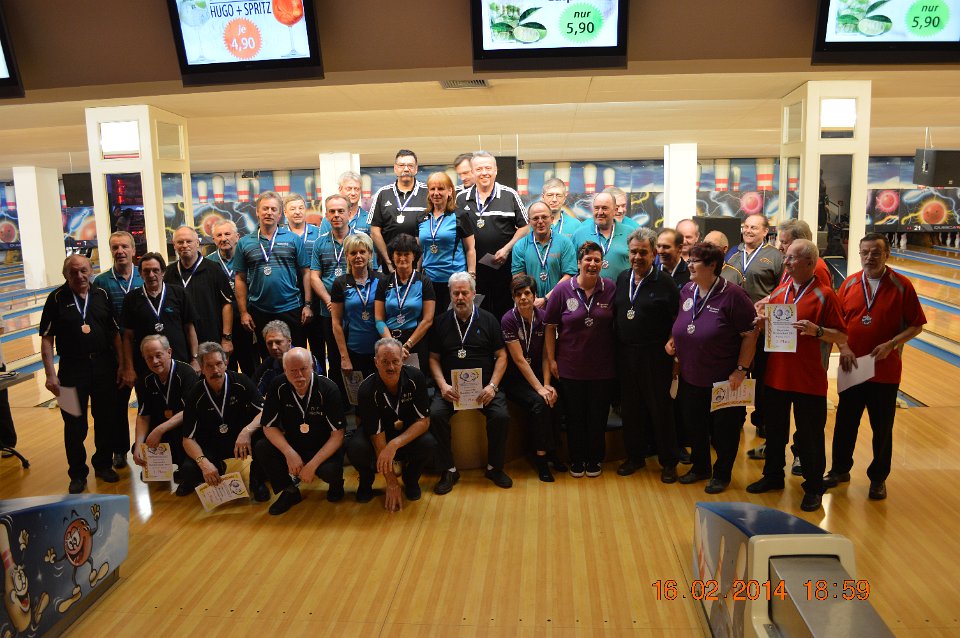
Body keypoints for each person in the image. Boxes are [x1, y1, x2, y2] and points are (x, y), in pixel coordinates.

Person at [746, 239, 846, 512]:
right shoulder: (780, 291)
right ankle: (773, 475)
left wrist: (818, 331)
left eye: (791, 258)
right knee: (775, 431)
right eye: (786, 257)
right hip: (777, 376)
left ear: (809, 263)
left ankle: (813, 487)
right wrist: (763, 324)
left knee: (810, 436)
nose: (786, 262)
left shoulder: (826, 295)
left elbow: (842, 335)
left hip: (808, 379)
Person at [826, 233, 926, 500]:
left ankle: (878, 478)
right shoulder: (849, 284)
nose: (869, 257)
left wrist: (892, 344)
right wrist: (843, 348)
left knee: (882, 428)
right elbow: (836, 324)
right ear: (859, 254)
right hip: (853, 365)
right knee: (845, 423)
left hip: (885, 369)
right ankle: (839, 470)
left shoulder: (902, 285)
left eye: (876, 253)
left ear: (887, 254)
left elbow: (917, 325)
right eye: (865, 252)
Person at [667, 242, 758, 494]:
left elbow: (751, 334)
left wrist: (741, 369)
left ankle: (722, 474)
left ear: (712, 265)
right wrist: (673, 339)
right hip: (691, 374)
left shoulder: (734, 295)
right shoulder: (688, 290)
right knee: (695, 425)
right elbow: (684, 322)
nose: (689, 265)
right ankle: (700, 467)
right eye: (689, 260)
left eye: (694, 261)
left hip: (724, 378)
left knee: (724, 431)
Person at [744, 218, 832, 464]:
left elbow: (813, 305)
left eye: (784, 242)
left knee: (806, 413)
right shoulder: (790, 266)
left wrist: (819, 333)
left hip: (806, 355)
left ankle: (801, 455)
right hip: (786, 352)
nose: (780, 248)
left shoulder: (817, 269)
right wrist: (768, 302)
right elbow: (788, 295)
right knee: (778, 411)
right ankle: (776, 452)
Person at [40, 255, 123, 493]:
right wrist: (50, 375)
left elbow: (114, 333)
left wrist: (121, 364)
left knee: (105, 418)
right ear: (66, 275)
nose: (79, 276)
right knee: (73, 424)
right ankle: (77, 474)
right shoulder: (56, 298)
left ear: (91, 270)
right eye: (74, 272)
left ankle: (103, 465)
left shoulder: (102, 294)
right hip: (70, 370)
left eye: (84, 270)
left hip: (104, 366)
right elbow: (47, 339)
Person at [429, 272, 512, 494]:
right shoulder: (440, 322)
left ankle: (495, 467)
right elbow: (433, 359)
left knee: (501, 416)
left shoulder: (489, 319)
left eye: (464, 293)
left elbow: (502, 356)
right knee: (435, 414)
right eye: (455, 293)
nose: (460, 298)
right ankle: (449, 469)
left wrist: (492, 386)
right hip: (451, 389)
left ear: (473, 294)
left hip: (484, 389)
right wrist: (442, 386)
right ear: (450, 295)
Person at [544, 241, 617, 478]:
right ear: (578, 263)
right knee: (575, 417)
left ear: (602, 263)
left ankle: (594, 459)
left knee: (598, 416)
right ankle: (577, 459)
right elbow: (550, 326)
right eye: (588, 259)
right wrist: (552, 360)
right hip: (570, 366)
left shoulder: (610, 288)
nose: (592, 264)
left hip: (602, 368)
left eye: (597, 260)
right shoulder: (562, 290)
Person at [614, 229, 681, 483]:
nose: (638, 257)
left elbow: (676, 320)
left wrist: (675, 354)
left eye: (643, 252)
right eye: (634, 252)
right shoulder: (623, 278)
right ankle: (635, 457)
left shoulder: (665, 282)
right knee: (631, 409)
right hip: (626, 354)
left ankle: (669, 462)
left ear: (653, 253)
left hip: (655, 356)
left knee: (660, 409)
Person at [349, 338, 442, 509]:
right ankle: (366, 481)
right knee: (356, 447)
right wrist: (391, 482)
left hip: (406, 433)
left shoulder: (416, 377)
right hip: (379, 435)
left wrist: (395, 444)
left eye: (395, 361)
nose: (390, 367)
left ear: (402, 360)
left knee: (429, 443)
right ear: (376, 362)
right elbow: (377, 439)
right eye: (385, 362)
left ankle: (411, 479)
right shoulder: (366, 389)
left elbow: (424, 422)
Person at [254, 347, 348, 514]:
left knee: (331, 471)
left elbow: (338, 436)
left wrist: (312, 465)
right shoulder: (278, 386)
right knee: (262, 446)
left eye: (303, 369)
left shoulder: (328, 388)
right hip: (294, 445)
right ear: (285, 370)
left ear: (312, 366)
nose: (299, 375)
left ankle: (336, 484)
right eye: (293, 371)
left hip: (323, 447)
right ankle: (290, 491)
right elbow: (268, 426)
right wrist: (289, 453)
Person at [179, 342, 268, 501]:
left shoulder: (241, 381)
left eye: (219, 363)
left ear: (226, 363)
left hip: (242, 441)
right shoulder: (195, 394)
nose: (215, 370)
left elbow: (264, 412)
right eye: (209, 366)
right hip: (213, 443)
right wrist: (203, 463)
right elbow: (187, 439)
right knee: (188, 469)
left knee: (265, 442)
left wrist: (246, 431)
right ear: (202, 368)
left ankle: (257, 479)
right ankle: (216, 469)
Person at [724, 213, 783, 442]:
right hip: (737, 327)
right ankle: (736, 417)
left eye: (754, 228)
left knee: (762, 376)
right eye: (746, 227)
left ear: (765, 231)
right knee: (738, 372)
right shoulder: (733, 254)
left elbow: (783, 289)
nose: (748, 231)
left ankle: (762, 419)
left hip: (763, 327)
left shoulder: (775, 256)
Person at [501, 274, 565, 482]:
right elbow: (519, 360)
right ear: (513, 297)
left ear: (535, 295)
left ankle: (553, 452)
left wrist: (547, 384)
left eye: (527, 293)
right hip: (516, 379)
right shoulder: (508, 320)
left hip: (538, 375)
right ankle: (541, 459)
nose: (523, 298)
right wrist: (539, 389)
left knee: (554, 398)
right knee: (540, 403)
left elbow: (547, 354)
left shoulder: (544, 317)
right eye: (518, 294)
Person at [234, 190, 313, 357]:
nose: (269, 212)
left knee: (295, 355)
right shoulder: (244, 243)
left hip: (292, 307)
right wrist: (244, 312)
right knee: (268, 358)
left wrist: (307, 305)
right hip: (259, 310)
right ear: (257, 211)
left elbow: (306, 272)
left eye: (273, 209)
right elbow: (240, 278)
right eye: (265, 208)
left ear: (280, 214)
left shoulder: (293, 239)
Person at [456, 150, 529, 318]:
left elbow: (525, 227)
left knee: (503, 310)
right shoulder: (460, 198)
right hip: (473, 270)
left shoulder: (510, 195)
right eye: (479, 169)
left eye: (488, 168)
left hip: (503, 268)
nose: (484, 173)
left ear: (495, 170)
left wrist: (507, 249)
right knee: (477, 311)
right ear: (472, 172)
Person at [93, 230, 143, 469]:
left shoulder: (144, 275)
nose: (120, 251)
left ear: (133, 249)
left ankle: (152, 452)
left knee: (150, 403)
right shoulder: (101, 282)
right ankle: (120, 450)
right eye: (115, 247)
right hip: (115, 355)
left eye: (124, 246)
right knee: (117, 406)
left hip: (144, 352)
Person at [121, 252, 199, 392]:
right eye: (146, 271)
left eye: (155, 270)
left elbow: (190, 328)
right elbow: (127, 337)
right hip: (146, 366)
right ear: (140, 274)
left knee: (184, 401)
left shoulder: (179, 293)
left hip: (179, 362)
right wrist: (129, 368)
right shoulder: (131, 299)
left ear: (163, 272)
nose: (151, 275)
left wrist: (195, 358)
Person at [310, 194, 357, 398]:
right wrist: (329, 301)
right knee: (335, 357)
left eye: (341, 211)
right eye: (332, 211)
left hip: (356, 309)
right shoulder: (319, 243)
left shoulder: (360, 241)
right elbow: (314, 276)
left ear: (349, 213)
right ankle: (338, 401)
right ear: (327, 215)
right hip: (328, 310)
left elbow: (370, 274)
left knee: (356, 355)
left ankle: (357, 399)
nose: (336, 215)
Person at [131, 334, 199, 475]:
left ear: (169, 352)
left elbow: (189, 411)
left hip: (186, 430)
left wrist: (159, 430)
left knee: (188, 470)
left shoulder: (187, 373)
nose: (155, 361)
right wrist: (138, 445)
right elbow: (143, 416)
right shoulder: (144, 380)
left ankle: (187, 467)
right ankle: (159, 470)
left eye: (158, 355)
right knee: (138, 446)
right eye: (149, 358)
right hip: (165, 429)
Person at [164, 225, 233, 354]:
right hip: (181, 341)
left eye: (189, 241)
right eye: (180, 242)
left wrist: (226, 338)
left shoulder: (214, 269)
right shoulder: (169, 273)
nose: (185, 245)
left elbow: (227, 304)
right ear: (174, 245)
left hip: (210, 339)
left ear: (197, 243)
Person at [331, 233, 386, 387]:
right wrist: (344, 357)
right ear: (347, 256)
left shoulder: (382, 280)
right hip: (354, 351)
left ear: (370, 254)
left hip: (380, 350)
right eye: (353, 253)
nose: (358, 256)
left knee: (380, 392)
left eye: (362, 252)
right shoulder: (340, 283)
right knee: (358, 396)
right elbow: (336, 323)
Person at [418, 171, 476, 315]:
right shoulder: (421, 217)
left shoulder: (460, 216)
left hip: (454, 281)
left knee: (452, 320)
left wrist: (471, 275)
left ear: (450, 191)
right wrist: (417, 275)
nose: (436, 193)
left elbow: (470, 249)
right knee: (431, 320)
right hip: (429, 280)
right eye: (432, 189)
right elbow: (419, 250)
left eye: (441, 189)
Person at [375, 233, 436, 367]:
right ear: (392, 256)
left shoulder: (424, 282)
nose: (402, 258)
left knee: (415, 378)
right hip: (388, 342)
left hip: (415, 342)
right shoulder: (384, 282)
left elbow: (428, 320)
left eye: (406, 254)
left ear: (414, 256)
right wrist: (392, 345)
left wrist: (407, 346)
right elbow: (379, 319)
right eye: (398, 254)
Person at [207, 218, 256, 375]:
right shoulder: (208, 263)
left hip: (247, 321)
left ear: (237, 237)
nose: (223, 238)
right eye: (219, 235)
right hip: (222, 324)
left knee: (251, 365)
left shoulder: (248, 259)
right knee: (227, 366)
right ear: (213, 239)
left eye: (227, 234)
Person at [370, 149, 428, 270]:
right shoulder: (383, 193)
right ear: (395, 168)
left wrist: (418, 267)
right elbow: (375, 231)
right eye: (401, 165)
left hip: (421, 265)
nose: (406, 169)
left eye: (410, 165)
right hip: (390, 266)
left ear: (416, 169)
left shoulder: (427, 193)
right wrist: (389, 263)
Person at [511, 201, 577, 308]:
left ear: (552, 219)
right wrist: (533, 299)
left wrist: (546, 299)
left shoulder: (565, 243)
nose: (540, 221)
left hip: (559, 303)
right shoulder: (520, 246)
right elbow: (518, 278)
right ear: (529, 221)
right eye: (535, 218)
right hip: (531, 305)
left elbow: (569, 276)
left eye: (544, 217)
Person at [252, 320, 321, 398]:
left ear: (289, 341)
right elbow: (254, 394)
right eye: (269, 343)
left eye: (278, 342)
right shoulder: (266, 366)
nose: (274, 347)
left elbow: (317, 391)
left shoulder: (308, 360)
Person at [571, 192, 630, 280]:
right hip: (588, 288)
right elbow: (572, 269)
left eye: (604, 208)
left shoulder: (630, 233)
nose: (600, 212)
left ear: (615, 210)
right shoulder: (579, 234)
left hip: (621, 288)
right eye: (596, 208)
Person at [318, 171, 374, 236]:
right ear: (340, 189)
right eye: (349, 189)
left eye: (356, 189)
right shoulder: (329, 219)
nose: (353, 193)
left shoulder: (369, 219)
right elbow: (323, 241)